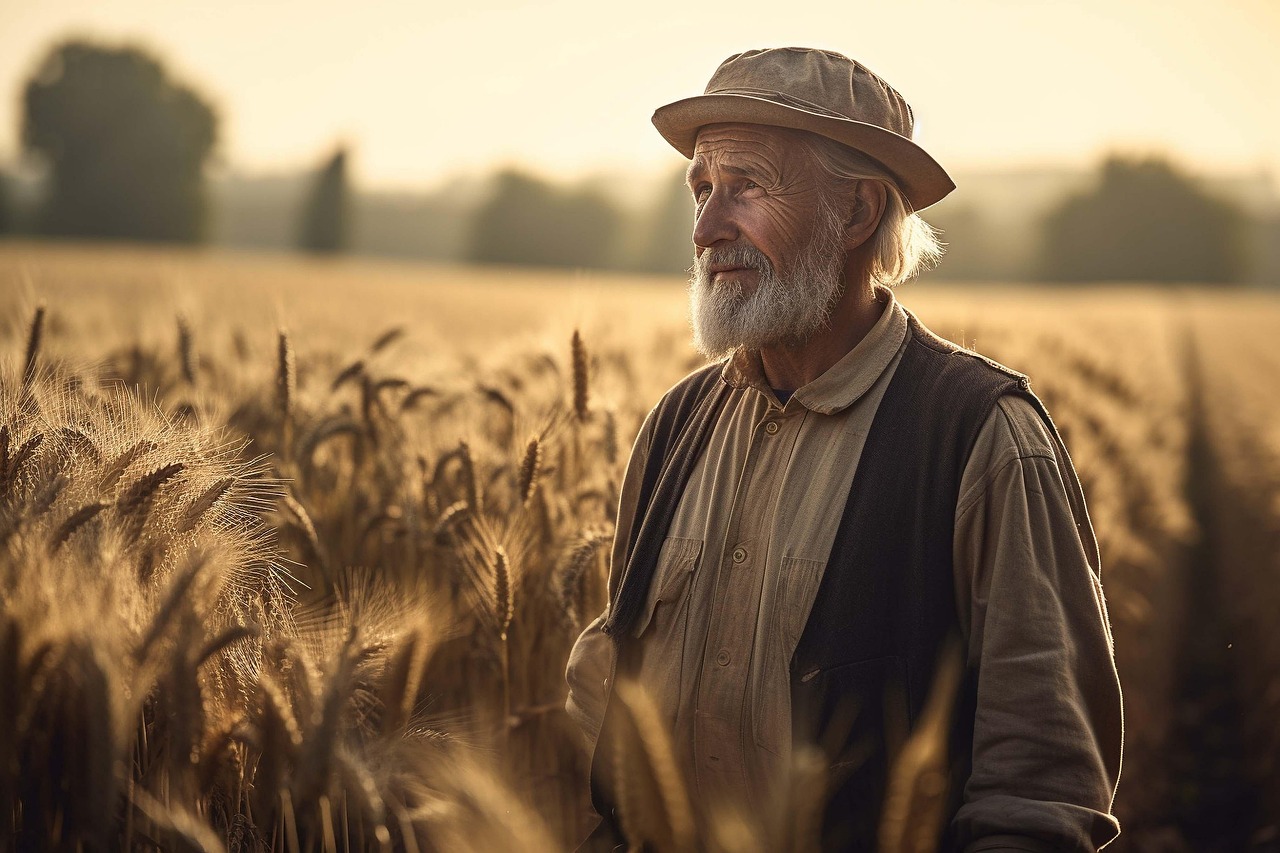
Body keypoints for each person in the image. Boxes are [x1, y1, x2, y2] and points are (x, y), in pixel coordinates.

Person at [566, 47, 1123, 851]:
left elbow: (1040, 788)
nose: (707, 228)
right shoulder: (675, 427)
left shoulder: (981, 439)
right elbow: (609, 721)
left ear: (858, 212)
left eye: (746, 186)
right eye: (702, 189)